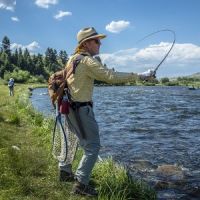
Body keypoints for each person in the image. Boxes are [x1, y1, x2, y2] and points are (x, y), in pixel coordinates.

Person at [59, 27, 155, 196]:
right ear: (86, 43)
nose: (100, 43)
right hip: (81, 110)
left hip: (68, 108)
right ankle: (81, 184)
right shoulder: (88, 61)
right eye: (96, 40)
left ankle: (65, 172)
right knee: (93, 146)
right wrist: (141, 75)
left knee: (73, 138)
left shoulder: (72, 59)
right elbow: (110, 76)